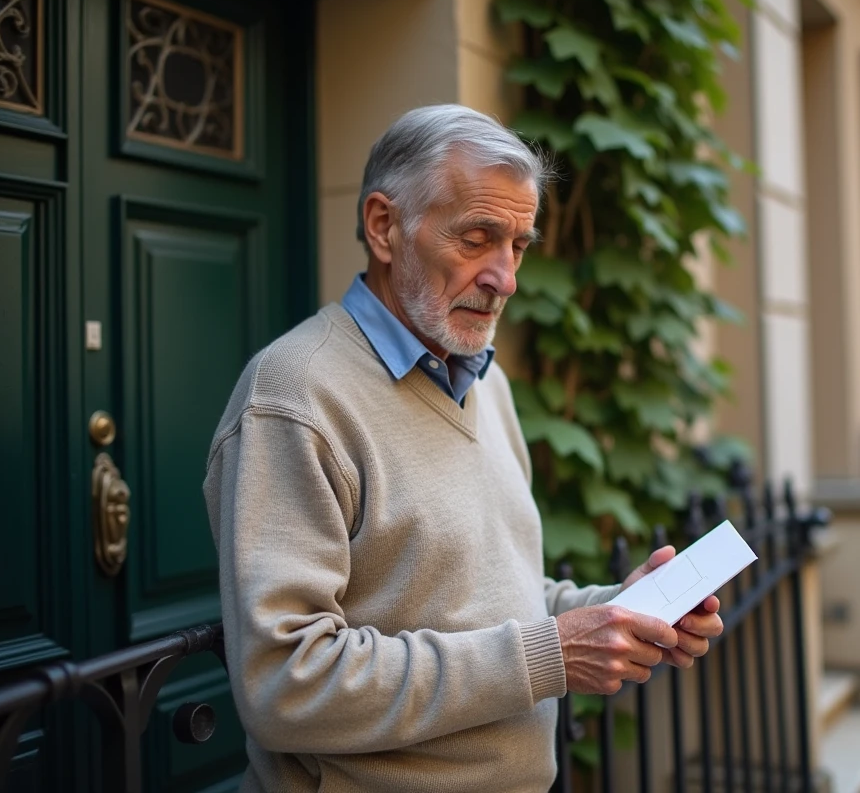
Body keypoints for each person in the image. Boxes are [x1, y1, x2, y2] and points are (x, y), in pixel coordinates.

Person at [203, 103, 724, 793]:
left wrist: (617, 612)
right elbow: (286, 685)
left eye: (518, 246)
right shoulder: (294, 396)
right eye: (477, 239)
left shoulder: (483, 379)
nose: (505, 278)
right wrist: (548, 655)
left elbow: (484, 598)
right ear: (384, 227)